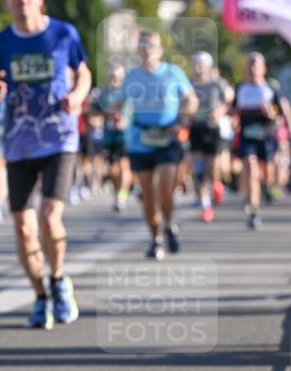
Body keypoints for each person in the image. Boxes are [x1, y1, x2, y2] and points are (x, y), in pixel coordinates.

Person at [0, 0, 91, 329]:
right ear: (6, 1)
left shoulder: (63, 33)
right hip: (18, 143)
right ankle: (40, 297)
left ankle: (58, 279)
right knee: (24, 229)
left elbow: (83, 71)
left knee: (49, 218)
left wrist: (78, 94)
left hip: (59, 138)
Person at [121, 30, 198, 259]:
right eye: (142, 45)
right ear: (137, 50)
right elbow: (119, 101)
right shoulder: (131, 76)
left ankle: (168, 222)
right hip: (140, 140)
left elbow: (191, 99)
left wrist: (182, 119)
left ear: (160, 50)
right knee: (147, 195)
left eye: (152, 45)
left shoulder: (173, 72)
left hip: (168, 138)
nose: (147, 49)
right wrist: (109, 111)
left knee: (165, 188)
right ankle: (155, 238)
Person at [232, 52, 291, 229]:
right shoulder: (240, 88)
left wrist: (271, 114)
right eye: (250, 64)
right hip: (247, 136)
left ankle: (267, 187)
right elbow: (232, 110)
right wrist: (233, 119)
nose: (253, 68)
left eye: (257, 65)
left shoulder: (270, 89)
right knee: (251, 169)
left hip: (267, 137)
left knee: (267, 175)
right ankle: (253, 211)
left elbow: (283, 113)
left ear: (264, 68)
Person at [189, 52, 232, 223]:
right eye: (196, 63)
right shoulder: (189, 84)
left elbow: (229, 98)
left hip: (212, 129)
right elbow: (181, 100)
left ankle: (216, 184)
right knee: (198, 171)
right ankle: (205, 206)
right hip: (195, 129)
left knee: (212, 168)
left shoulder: (217, 83)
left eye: (202, 64)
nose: (199, 67)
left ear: (208, 66)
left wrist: (220, 110)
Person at [93, 62, 131, 212]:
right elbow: (94, 111)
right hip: (109, 137)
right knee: (113, 170)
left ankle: (122, 195)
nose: (115, 78)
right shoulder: (103, 94)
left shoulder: (129, 93)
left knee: (124, 165)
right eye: (112, 76)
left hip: (125, 136)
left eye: (118, 76)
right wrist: (106, 114)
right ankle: (117, 194)